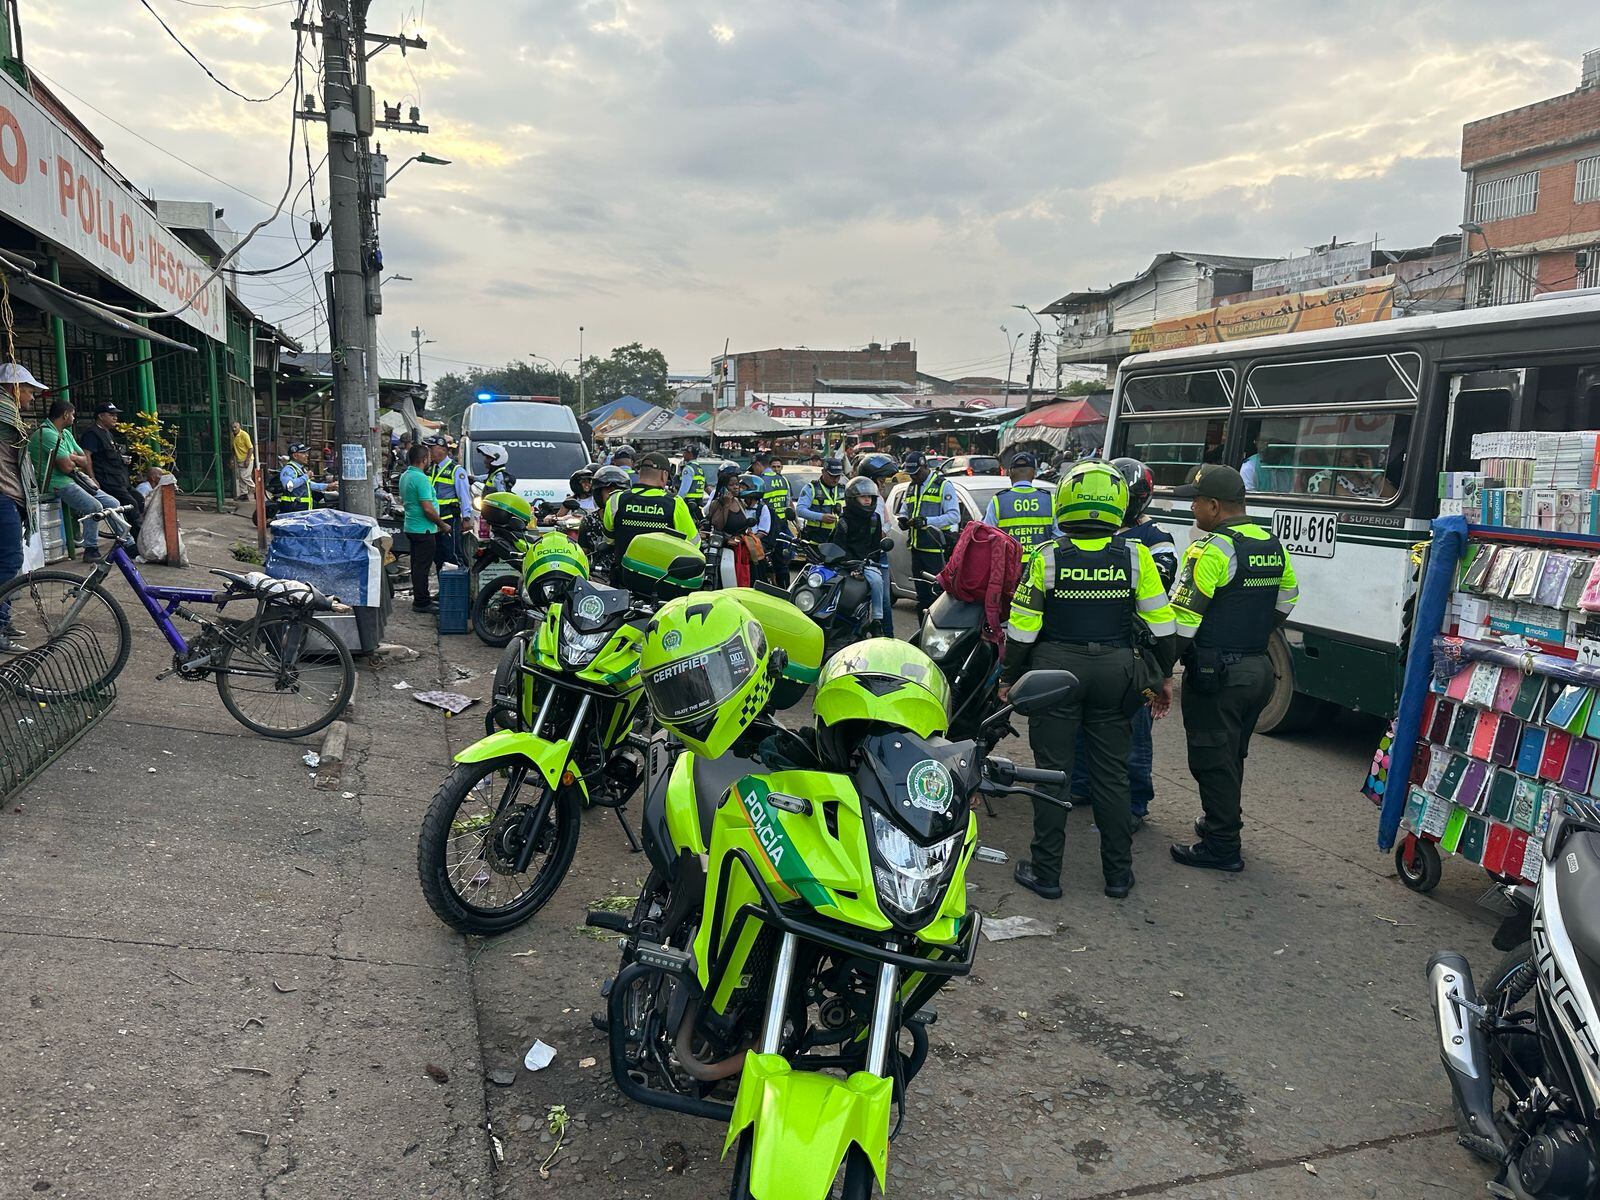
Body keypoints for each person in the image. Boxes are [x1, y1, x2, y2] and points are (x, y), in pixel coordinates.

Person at [1000, 460, 1179, 901]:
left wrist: (1009, 677)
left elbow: (1021, 630)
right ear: (1119, 504)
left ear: (1065, 502)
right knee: (1112, 775)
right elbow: (1163, 627)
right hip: (1118, 674)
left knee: (1052, 774)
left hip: (1054, 671)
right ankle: (1118, 875)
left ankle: (1047, 874)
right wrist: (1162, 677)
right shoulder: (1136, 556)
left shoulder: (1046, 556)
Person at [1167, 464, 1299, 873]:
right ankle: (1219, 822)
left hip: (1216, 674)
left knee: (1211, 758)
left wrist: (1159, 671)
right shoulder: (1271, 543)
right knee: (1231, 754)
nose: (1192, 510)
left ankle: (1222, 844)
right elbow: (1287, 601)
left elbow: (1184, 622)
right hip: (1258, 668)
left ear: (1213, 505)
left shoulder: (1210, 549)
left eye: (1196, 502)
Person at [1068, 458, 1179, 828]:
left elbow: (1159, 588)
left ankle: (1134, 802)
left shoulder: (1156, 539)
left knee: (1134, 729)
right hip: (1088, 645)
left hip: (1136, 653)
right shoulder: (1087, 526)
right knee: (1083, 722)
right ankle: (1082, 785)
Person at [27, 398, 120, 564]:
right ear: (65, 415)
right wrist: (72, 459)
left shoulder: (66, 434)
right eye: (73, 415)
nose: (74, 418)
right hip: (55, 483)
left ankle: (125, 542)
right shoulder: (47, 434)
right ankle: (91, 549)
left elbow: (85, 459)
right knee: (94, 506)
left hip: (74, 479)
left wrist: (70, 456)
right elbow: (67, 467)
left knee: (113, 502)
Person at [602, 450, 699, 591]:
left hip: (624, 582)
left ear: (640, 472)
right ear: (664, 475)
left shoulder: (616, 500)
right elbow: (693, 545)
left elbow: (608, 540)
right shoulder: (675, 503)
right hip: (660, 584)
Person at [0, 363, 41, 650]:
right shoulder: (5, 412)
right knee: (10, 562)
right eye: (29, 390)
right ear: (13, 388)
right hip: (3, 497)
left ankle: (3, 619)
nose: (33, 397)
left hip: (8, 496)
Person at [894, 451, 958, 621]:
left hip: (935, 551)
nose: (913, 477)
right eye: (910, 474)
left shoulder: (943, 486)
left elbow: (954, 516)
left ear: (925, 467)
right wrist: (904, 520)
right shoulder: (911, 487)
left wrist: (927, 521)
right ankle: (922, 633)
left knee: (936, 597)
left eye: (916, 473)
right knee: (921, 597)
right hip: (916, 548)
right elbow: (905, 510)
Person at [827, 476, 889, 635]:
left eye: (870, 497)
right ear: (852, 499)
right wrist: (850, 565)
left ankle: (876, 620)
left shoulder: (875, 519)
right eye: (863, 497)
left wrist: (866, 564)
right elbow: (838, 547)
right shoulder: (843, 521)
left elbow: (876, 548)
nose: (868, 500)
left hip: (866, 563)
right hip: (844, 564)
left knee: (877, 581)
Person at [80, 402, 142, 539]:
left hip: (119, 478)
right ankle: (137, 542)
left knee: (139, 499)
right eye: (111, 415)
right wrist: (92, 478)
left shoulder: (107, 432)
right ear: (101, 416)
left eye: (116, 415)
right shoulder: (92, 433)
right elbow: (87, 456)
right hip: (107, 479)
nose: (115, 418)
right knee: (132, 505)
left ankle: (136, 536)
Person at [980, 451, 1056, 554]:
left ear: (1010, 473)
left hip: (1009, 567)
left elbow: (986, 537)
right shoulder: (1050, 500)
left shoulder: (997, 501)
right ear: (1034, 474)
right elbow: (1058, 538)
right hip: (1041, 567)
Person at [399, 444, 445, 612]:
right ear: (423, 459)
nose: (430, 459)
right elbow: (427, 508)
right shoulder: (420, 478)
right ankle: (422, 602)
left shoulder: (406, 475)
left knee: (417, 565)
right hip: (424, 529)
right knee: (422, 568)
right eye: (428, 456)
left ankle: (421, 598)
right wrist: (442, 524)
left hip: (412, 526)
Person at [858, 452, 901, 634]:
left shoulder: (878, 499)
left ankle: (887, 637)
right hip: (862, 557)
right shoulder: (862, 500)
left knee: (883, 603)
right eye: (880, 480)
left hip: (879, 557)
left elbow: (884, 529)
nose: (883, 484)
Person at [426, 435, 470, 567]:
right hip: (435, 519)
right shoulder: (431, 469)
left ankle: (459, 585)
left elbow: (464, 494)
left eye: (431, 448)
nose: (429, 452)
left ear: (443, 450)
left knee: (453, 554)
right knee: (438, 556)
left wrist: (466, 517)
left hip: (450, 518)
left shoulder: (456, 470)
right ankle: (444, 586)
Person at [796, 455, 845, 545]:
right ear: (823, 472)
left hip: (837, 540)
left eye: (838, 476)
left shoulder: (843, 489)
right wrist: (821, 517)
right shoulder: (811, 488)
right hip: (815, 540)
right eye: (832, 476)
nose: (835, 479)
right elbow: (800, 510)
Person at [279, 442, 334, 511]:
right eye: (303, 453)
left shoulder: (300, 469)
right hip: (293, 510)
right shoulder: (289, 469)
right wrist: (306, 476)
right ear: (295, 455)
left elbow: (309, 485)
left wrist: (328, 486)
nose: (307, 455)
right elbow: (289, 486)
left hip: (301, 509)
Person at [675, 453, 708, 521]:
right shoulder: (700, 469)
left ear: (691, 455)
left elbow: (683, 491)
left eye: (685, 452)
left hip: (687, 505)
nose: (683, 454)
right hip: (697, 505)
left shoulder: (688, 468)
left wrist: (676, 502)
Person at [230, 419, 256, 502]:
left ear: (239, 427)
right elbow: (233, 449)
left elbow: (251, 448)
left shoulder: (244, 435)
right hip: (239, 459)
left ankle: (256, 489)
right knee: (241, 478)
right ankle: (244, 494)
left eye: (235, 427)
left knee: (244, 476)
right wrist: (232, 459)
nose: (234, 429)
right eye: (232, 427)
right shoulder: (233, 436)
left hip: (247, 459)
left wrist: (247, 459)